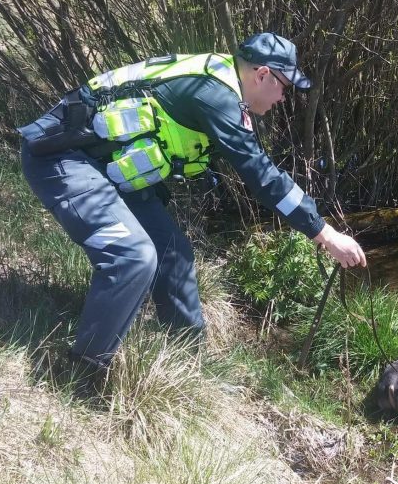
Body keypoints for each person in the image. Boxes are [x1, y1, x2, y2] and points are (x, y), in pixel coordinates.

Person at [18, 32, 366, 382]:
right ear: (262, 75)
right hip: (64, 158)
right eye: (283, 87)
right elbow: (263, 177)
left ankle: (187, 369)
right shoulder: (215, 95)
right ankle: (81, 374)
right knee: (134, 256)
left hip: (111, 169)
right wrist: (325, 234)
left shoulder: (221, 82)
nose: (282, 98)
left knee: (173, 253)